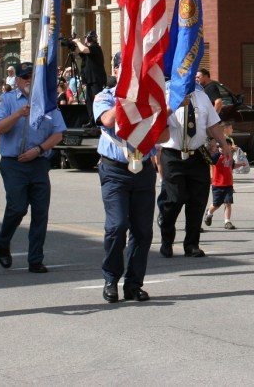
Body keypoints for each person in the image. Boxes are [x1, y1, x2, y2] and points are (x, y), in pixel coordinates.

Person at [94, 51, 166, 303]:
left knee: (142, 231)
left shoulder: (150, 98)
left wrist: (158, 112)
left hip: (143, 169)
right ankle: (111, 279)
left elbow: (165, 136)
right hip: (115, 170)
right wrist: (125, 97)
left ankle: (134, 284)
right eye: (125, 69)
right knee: (117, 226)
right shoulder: (104, 96)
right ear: (116, 71)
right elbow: (107, 120)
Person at [0, 61, 66, 273]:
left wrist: (39, 150)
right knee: (17, 208)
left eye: (33, 77)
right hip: (13, 163)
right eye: (25, 77)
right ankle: (4, 240)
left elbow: (58, 133)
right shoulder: (7, 100)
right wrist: (17, 114)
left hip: (38, 162)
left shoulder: (48, 101)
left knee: (40, 213)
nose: (29, 81)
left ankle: (35, 259)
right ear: (17, 80)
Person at [158, 72, 231, 258]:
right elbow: (156, 121)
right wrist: (173, 105)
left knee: (197, 201)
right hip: (173, 154)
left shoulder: (202, 97)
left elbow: (213, 125)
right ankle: (167, 239)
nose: (189, 78)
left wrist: (224, 144)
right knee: (174, 199)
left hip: (197, 154)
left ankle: (191, 244)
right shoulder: (166, 94)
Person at [204, 122, 236, 230]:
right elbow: (210, 161)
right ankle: (209, 212)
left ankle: (227, 221)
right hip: (218, 184)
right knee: (216, 204)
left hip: (228, 184)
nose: (225, 148)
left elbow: (232, 166)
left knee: (228, 203)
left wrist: (241, 164)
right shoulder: (217, 156)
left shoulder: (230, 156)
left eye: (227, 146)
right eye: (222, 146)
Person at [74, 31, 107, 124]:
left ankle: (100, 120)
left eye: (85, 37)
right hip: (90, 80)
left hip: (96, 79)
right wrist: (73, 45)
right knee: (89, 101)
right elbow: (79, 52)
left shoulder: (95, 47)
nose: (84, 39)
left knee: (98, 99)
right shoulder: (88, 50)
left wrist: (77, 41)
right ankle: (92, 121)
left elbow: (84, 49)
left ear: (89, 38)